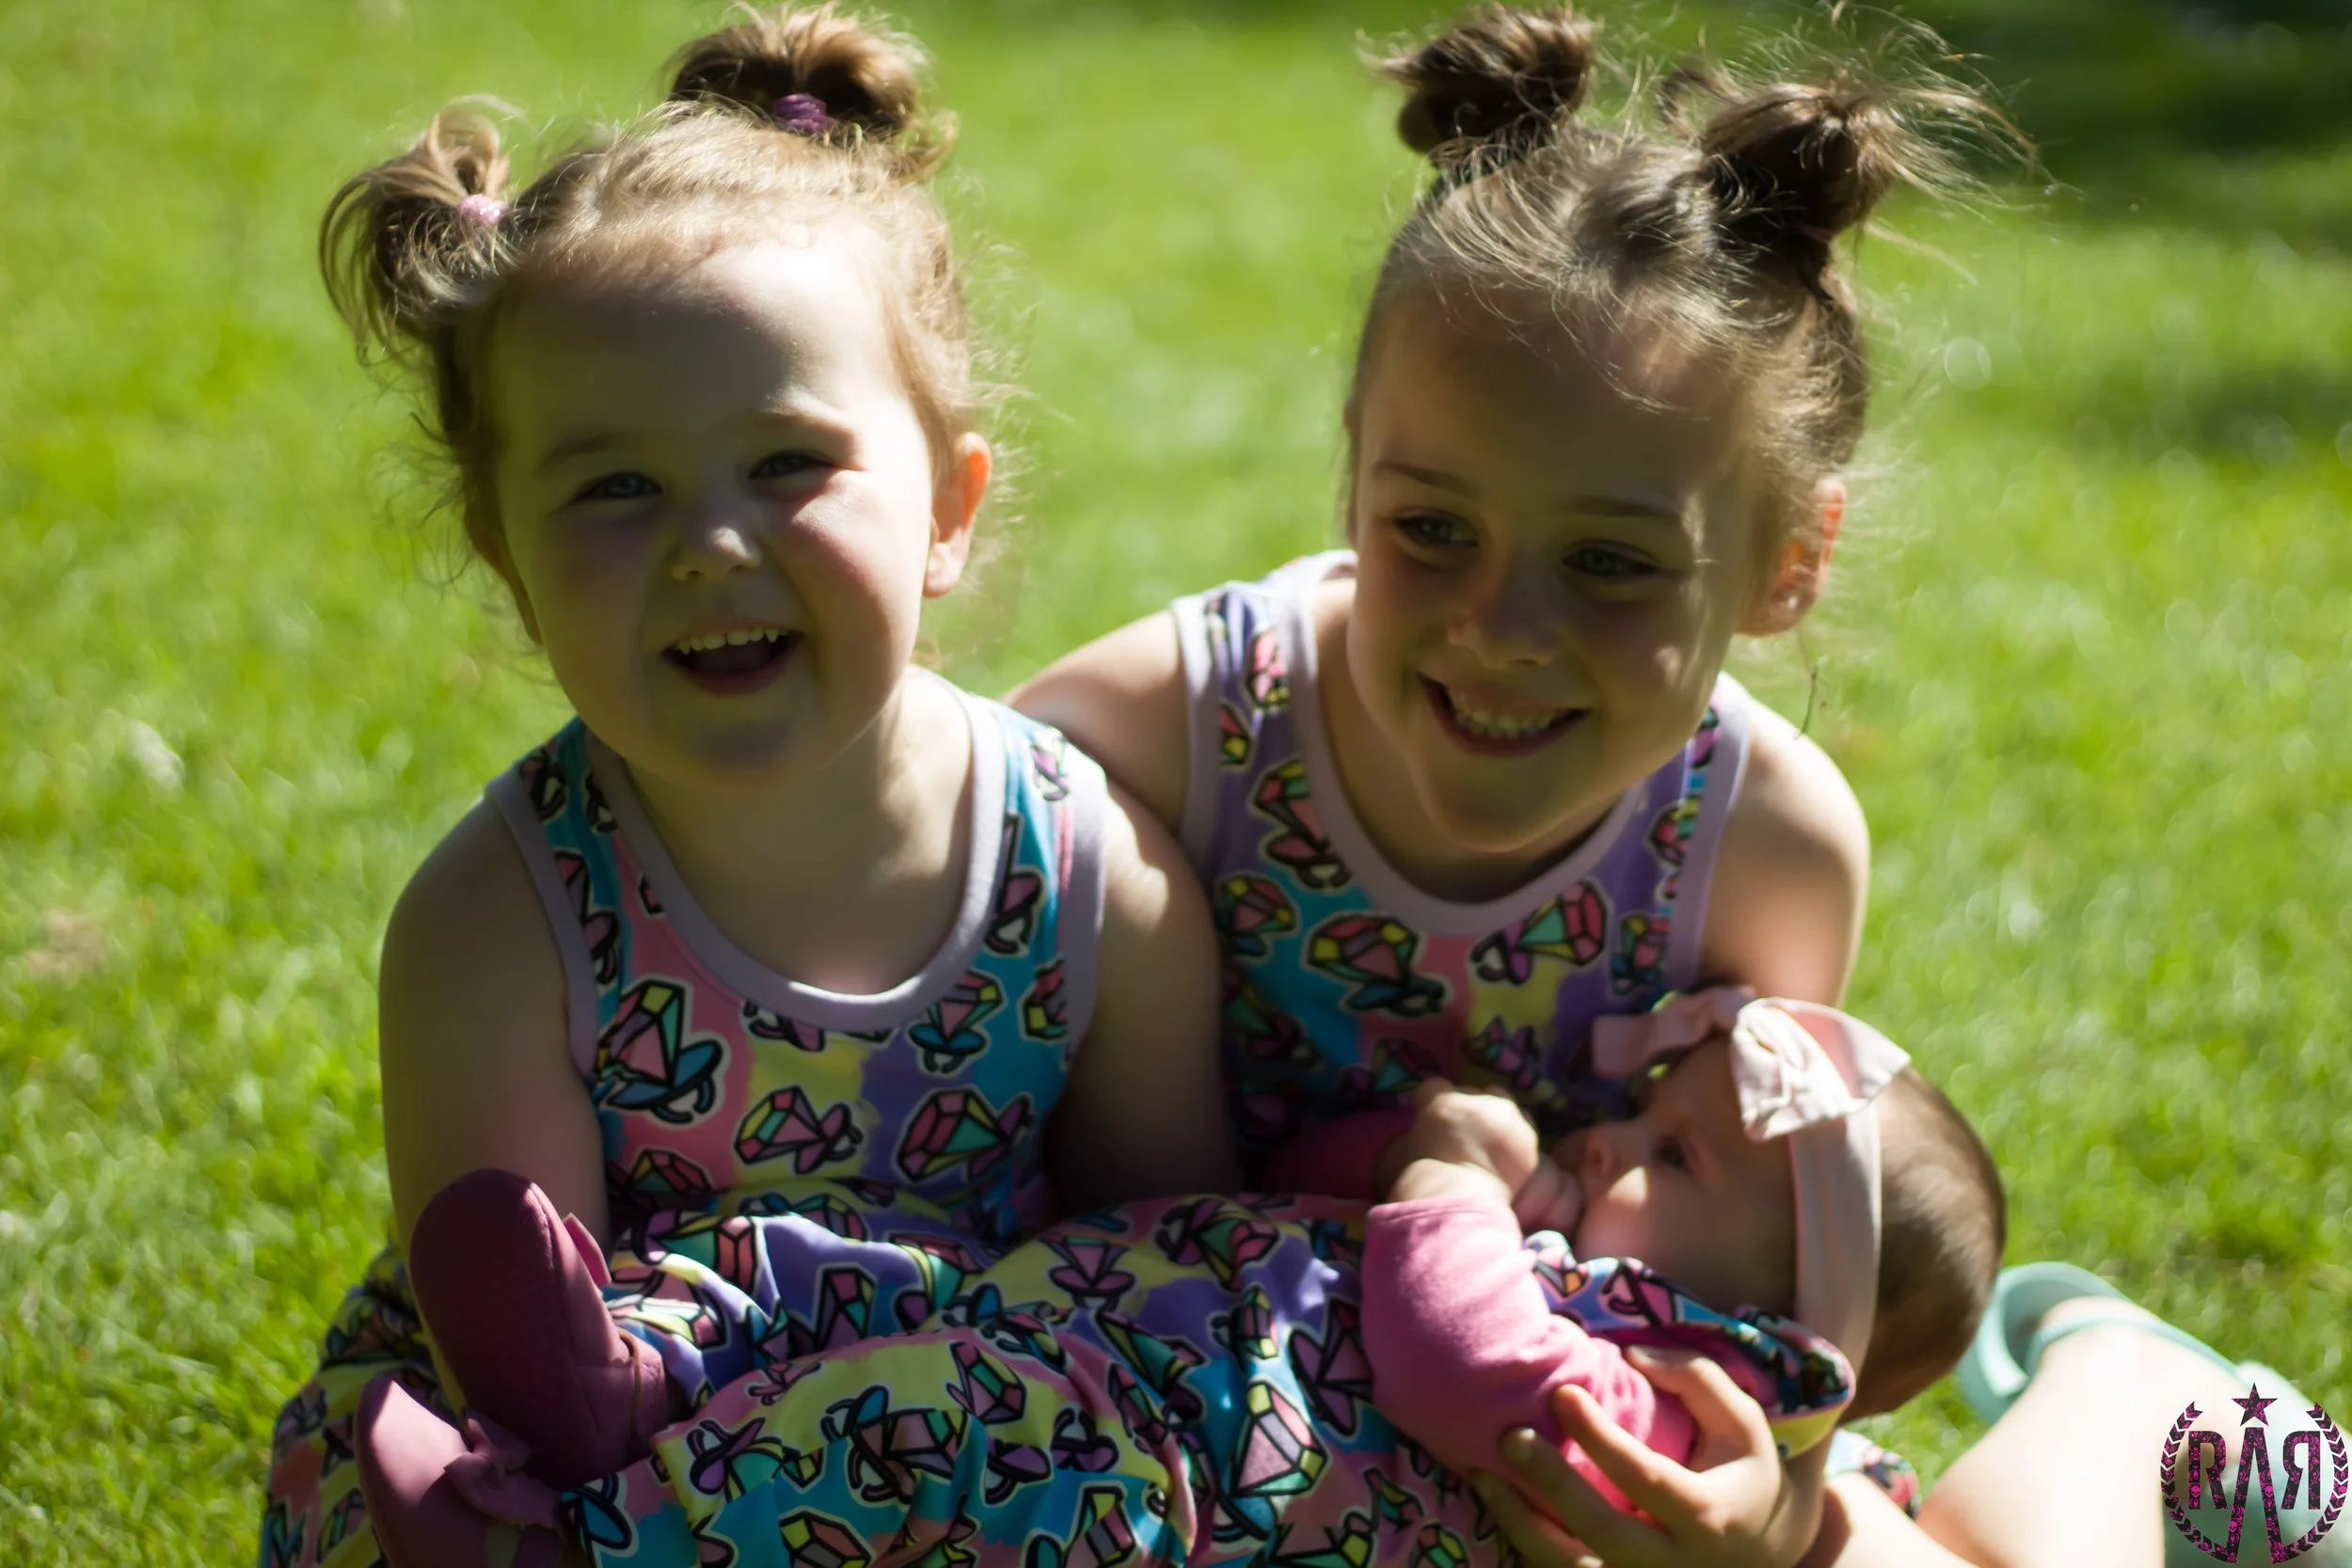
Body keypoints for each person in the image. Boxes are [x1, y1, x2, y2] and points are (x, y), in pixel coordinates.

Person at [1018, 9, 2336, 1568]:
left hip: (1530, 1418)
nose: (1502, 628)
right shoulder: (1157, 736)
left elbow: (1766, 1290)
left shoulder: (1761, 846)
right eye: (1432, 527)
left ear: (1787, 566)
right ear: (1354, 471)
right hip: (1178, 1411)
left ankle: (2112, 1393)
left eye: (1611, 563)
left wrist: (1767, 1505)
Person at [260, 9, 1236, 1565]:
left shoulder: (1091, 874)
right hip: (626, 1460)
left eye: (788, 464)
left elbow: (1171, 1271)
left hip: (995, 1453)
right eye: (615, 488)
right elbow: (523, 1370)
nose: (710, 545)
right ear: (511, 561)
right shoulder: (497, 925)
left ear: (949, 508)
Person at [1359, 990, 2002, 1510]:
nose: (1604, 1138)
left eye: (1672, 1154)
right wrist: (1401, 1157)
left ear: (1763, 1327)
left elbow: (1456, 1364)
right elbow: (1321, 1198)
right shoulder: (1498, 1246)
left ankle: (2086, 1349)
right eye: (1643, 1109)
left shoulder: (1665, 1419)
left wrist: (1453, 1175)